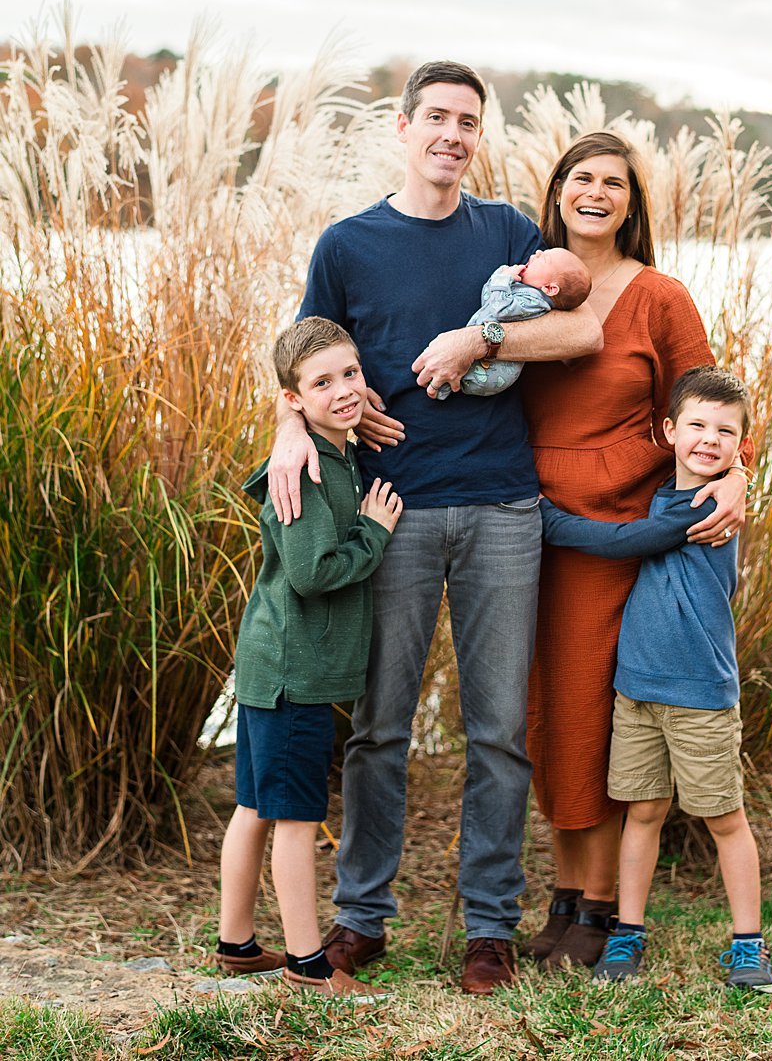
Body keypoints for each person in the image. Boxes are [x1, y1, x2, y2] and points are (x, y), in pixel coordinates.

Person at [268, 60, 605, 994]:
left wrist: (478, 339)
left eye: (469, 122)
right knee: (380, 728)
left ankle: (489, 927)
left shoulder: (504, 231)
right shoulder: (347, 244)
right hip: (393, 512)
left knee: (498, 729)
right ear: (404, 126)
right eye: (439, 119)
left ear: (477, 137)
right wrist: (291, 428)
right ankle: (361, 916)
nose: (454, 135)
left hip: (503, 509)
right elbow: (299, 365)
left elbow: (581, 334)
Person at [517, 130, 749, 972]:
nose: (597, 193)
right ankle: (565, 895)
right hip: (535, 527)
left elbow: (711, 406)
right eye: (583, 178)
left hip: (629, 535)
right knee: (547, 713)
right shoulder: (523, 286)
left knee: (600, 717)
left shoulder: (661, 296)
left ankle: (604, 906)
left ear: (631, 203)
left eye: (615, 183)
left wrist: (739, 478)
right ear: (559, 191)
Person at [536, 368, 772, 993]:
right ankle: (628, 931)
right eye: (696, 425)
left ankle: (748, 945)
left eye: (726, 431)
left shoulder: (711, 506)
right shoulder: (662, 490)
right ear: (668, 431)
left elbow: (621, 542)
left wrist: (550, 521)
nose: (709, 439)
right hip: (637, 693)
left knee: (725, 817)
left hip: (699, 694)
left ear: (740, 446)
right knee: (641, 812)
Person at [220, 319, 402, 998]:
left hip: (273, 662)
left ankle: (236, 942)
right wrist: (375, 536)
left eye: (350, 374)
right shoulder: (304, 467)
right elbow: (311, 573)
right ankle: (308, 965)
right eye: (322, 383)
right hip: (294, 672)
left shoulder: (335, 451)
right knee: (294, 819)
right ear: (291, 400)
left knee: (255, 806)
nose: (344, 390)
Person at [434, 247, 593, 398]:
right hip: (485, 366)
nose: (537, 252)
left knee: (457, 374)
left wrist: (503, 279)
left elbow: (500, 309)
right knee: (453, 371)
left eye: (545, 258)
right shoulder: (524, 290)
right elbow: (488, 299)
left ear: (550, 288)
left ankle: (442, 388)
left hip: (492, 373)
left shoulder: (534, 302)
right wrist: (502, 274)